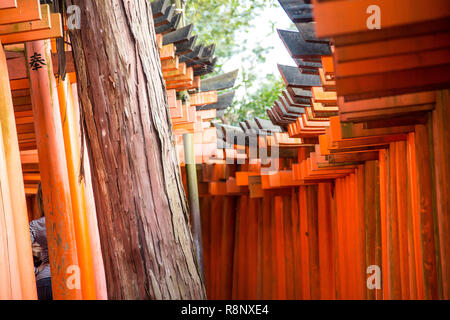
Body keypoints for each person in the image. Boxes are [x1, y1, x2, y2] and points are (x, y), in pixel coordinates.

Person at [29, 183, 53, 300]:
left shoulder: (36, 224)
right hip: (72, 277)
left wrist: (36, 270)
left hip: (44, 280)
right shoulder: (77, 220)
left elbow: (17, 251)